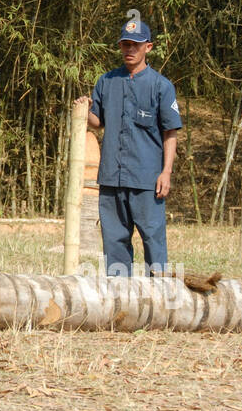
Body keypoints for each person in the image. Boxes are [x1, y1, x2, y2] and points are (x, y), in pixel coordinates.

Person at [75, 19, 182, 276]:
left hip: (147, 180)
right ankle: (121, 301)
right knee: (114, 243)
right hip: (112, 177)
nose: (129, 49)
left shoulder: (161, 86)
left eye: (135, 44)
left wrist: (166, 172)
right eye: (125, 44)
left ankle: (158, 300)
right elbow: (97, 123)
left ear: (148, 47)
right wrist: (84, 109)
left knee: (153, 241)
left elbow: (170, 133)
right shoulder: (107, 81)